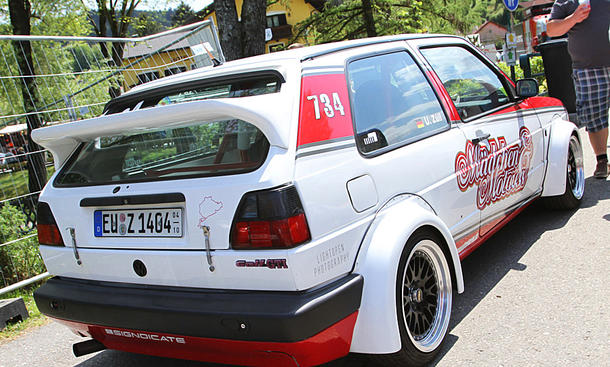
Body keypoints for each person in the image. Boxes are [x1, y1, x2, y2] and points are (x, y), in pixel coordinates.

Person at [547, 0, 610, 178]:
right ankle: (602, 160)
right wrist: (573, 18)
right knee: (594, 116)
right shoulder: (567, 2)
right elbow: (551, 30)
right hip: (588, 68)